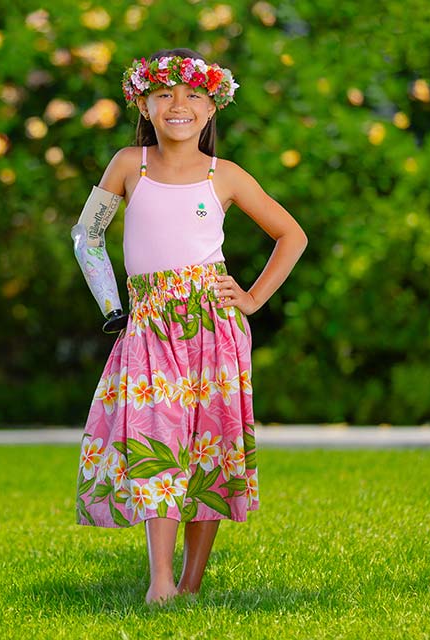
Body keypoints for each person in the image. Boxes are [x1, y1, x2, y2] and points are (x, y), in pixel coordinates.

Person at [73, 47, 307, 606]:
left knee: (209, 451)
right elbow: (88, 236)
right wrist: (113, 307)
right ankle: (159, 582)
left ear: (211, 108)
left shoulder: (222, 175)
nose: (179, 105)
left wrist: (249, 298)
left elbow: (291, 236)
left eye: (193, 95)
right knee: (158, 440)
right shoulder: (130, 164)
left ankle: (190, 583)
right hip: (150, 326)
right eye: (165, 94)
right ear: (144, 103)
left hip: (213, 325)